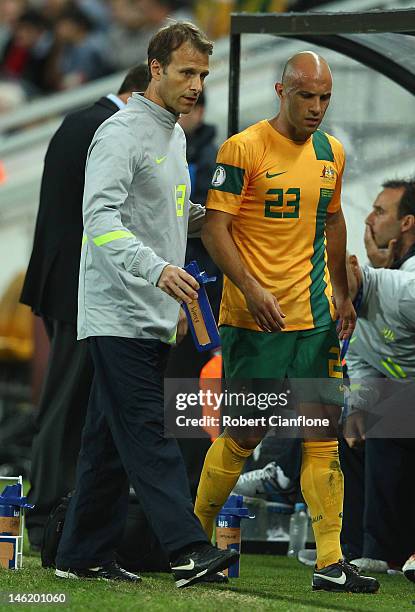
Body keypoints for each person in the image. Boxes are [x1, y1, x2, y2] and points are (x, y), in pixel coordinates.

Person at [54, 21, 238, 587]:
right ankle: (186, 549)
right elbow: (99, 221)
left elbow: (164, 217)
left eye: (203, 74)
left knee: (107, 442)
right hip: (116, 311)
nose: (196, 85)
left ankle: (81, 553)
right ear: (155, 69)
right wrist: (159, 270)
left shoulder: (174, 133)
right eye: (186, 72)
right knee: (145, 432)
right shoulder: (121, 133)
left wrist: (221, 222)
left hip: (151, 312)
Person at [194, 51, 379, 593]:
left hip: (315, 320)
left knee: (322, 436)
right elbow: (214, 230)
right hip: (255, 324)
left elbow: (335, 217)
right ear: (281, 91)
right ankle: (193, 542)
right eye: (307, 96)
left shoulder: (332, 153)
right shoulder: (243, 148)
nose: (317, 107)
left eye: (325, 97)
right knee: (244, 435)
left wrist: (341, 295)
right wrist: (252, 290)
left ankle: (329, 562)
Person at [20, 64, 150, 551]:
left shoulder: (78, 120)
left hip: (59, 279)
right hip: (80, 287)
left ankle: (59, 510)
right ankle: (48, 514)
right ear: (141, 92)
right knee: (67, 403)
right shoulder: (108, 128)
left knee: (68, 400)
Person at [341, 179, 415, 572]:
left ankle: (383, 550)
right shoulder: (369, 292)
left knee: (391, 409)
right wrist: (357, 407)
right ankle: (357, 548)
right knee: (350, 422)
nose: (369, 219)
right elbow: (366, 358)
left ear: (407, 223)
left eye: (380, 210)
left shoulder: (404, 289)